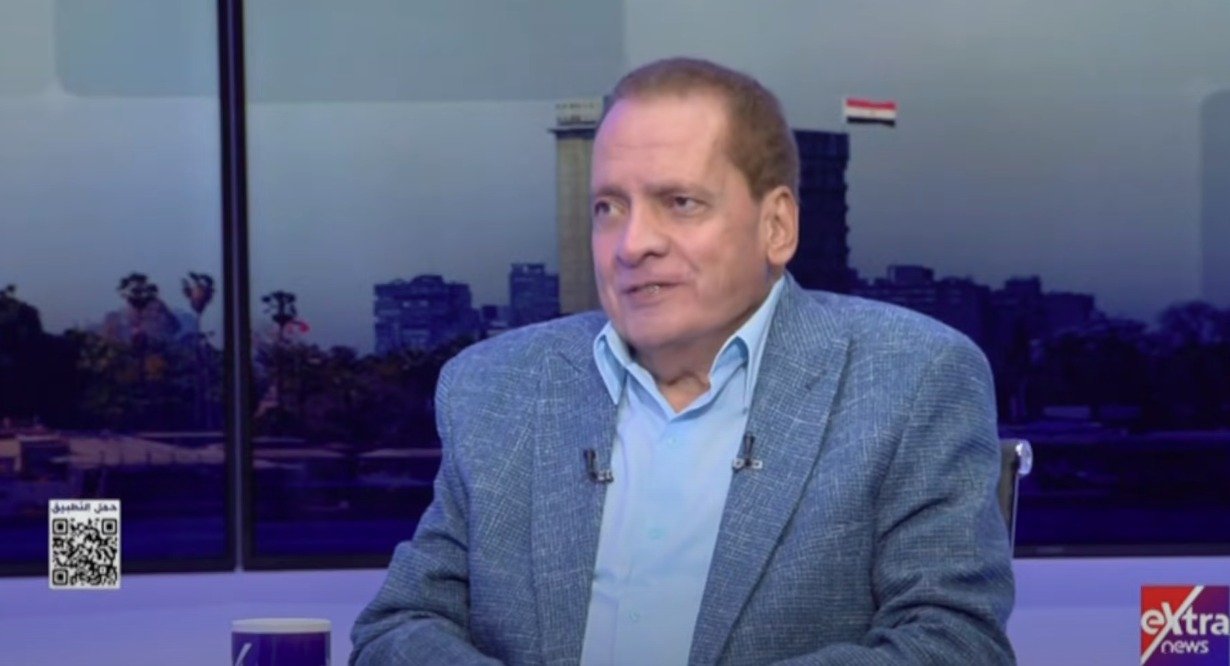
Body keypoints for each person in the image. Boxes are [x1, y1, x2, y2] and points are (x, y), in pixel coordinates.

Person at [351, 57, 1015, 665]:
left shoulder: (910, 380)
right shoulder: (497, 388)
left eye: (680, 203)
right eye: (609, 208)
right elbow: (398, 628)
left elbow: (953, 645)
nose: (632, 244)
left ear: (776, 226)